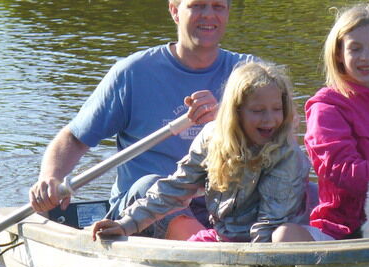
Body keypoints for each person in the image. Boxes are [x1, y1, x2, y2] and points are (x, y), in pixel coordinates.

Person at [29, 0, 254, 239]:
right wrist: (50, 179)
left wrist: (228, 120)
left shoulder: (249, 75)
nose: (208, 15)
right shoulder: (133, 73)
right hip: (141, 210)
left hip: (221, 204)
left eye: (217, 6)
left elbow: (281, 143)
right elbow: (74, 138)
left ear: (228, 12)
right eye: (197, 6)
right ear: (175, 11)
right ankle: (212, 251)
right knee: (155, 187)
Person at [91, 61, 311, 243]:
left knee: (279, 235)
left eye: (277, 109)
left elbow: (268, 227)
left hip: (272, 242)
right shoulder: (211, 138)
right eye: (257, 110)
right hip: (224, 239)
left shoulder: (287, 155)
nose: (269, 119)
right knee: (184, 249)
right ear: (236, 112)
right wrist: (127, 224)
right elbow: (176, 188)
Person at [276, 3, 369, 242]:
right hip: (342, 231)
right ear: (339, 54)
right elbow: (344, 172)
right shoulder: (326, 107)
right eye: (355, 49)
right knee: (284, 236)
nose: (366, 57)